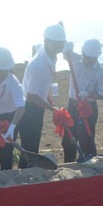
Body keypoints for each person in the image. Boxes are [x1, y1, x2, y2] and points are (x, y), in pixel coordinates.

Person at [18, 24, 66, 168]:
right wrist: (52, 108)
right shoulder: (38, 65)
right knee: (29, 146)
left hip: (37, 104)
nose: (59, 47)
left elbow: (36, 45)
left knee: (33, 143)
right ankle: (25, 174)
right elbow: (32, 96)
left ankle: (28, 171)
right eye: (56, 43)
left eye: (61, 43)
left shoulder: (48, 51)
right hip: (29, 107)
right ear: (47, 42)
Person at [62, 39, 103, 162]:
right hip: (72, 105)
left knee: (86, 139)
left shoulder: (101, 72)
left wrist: (87, 94)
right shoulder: (75, 59)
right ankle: (69, 163)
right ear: (82, 53)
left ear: (97, 57)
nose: (88, 60)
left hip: (87, 108)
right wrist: (66, 48)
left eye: (92, 58)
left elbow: (102, 94)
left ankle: (87, 163)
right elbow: (65, 53)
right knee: (68, 138)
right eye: (86, 57)